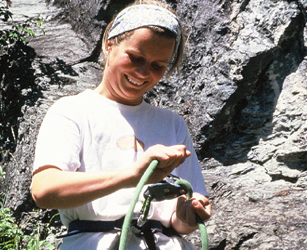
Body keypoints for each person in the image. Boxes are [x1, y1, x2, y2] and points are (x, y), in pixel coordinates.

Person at [31, 0, 211, 249]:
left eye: (158, 66)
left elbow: (179, 224)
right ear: (109, 45)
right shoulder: (72, 111)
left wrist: (188, 214)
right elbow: (44, 190)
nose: (143, 72)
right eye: (135, 57)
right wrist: (133, 176)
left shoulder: (172, 124)